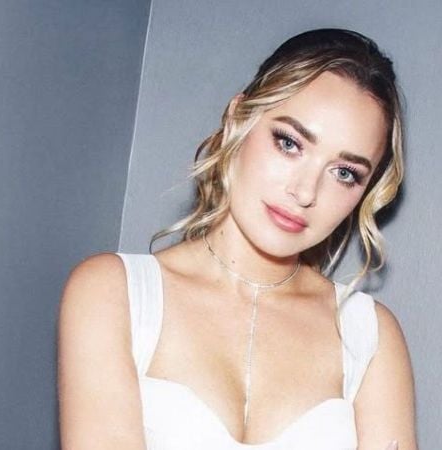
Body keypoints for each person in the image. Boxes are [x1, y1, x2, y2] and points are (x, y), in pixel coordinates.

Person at [57, 28, 417, 450]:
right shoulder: (112, 292)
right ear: (237, 121)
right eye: (289, 143)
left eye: (344, 173)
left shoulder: (370, 336)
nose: (305, 192)